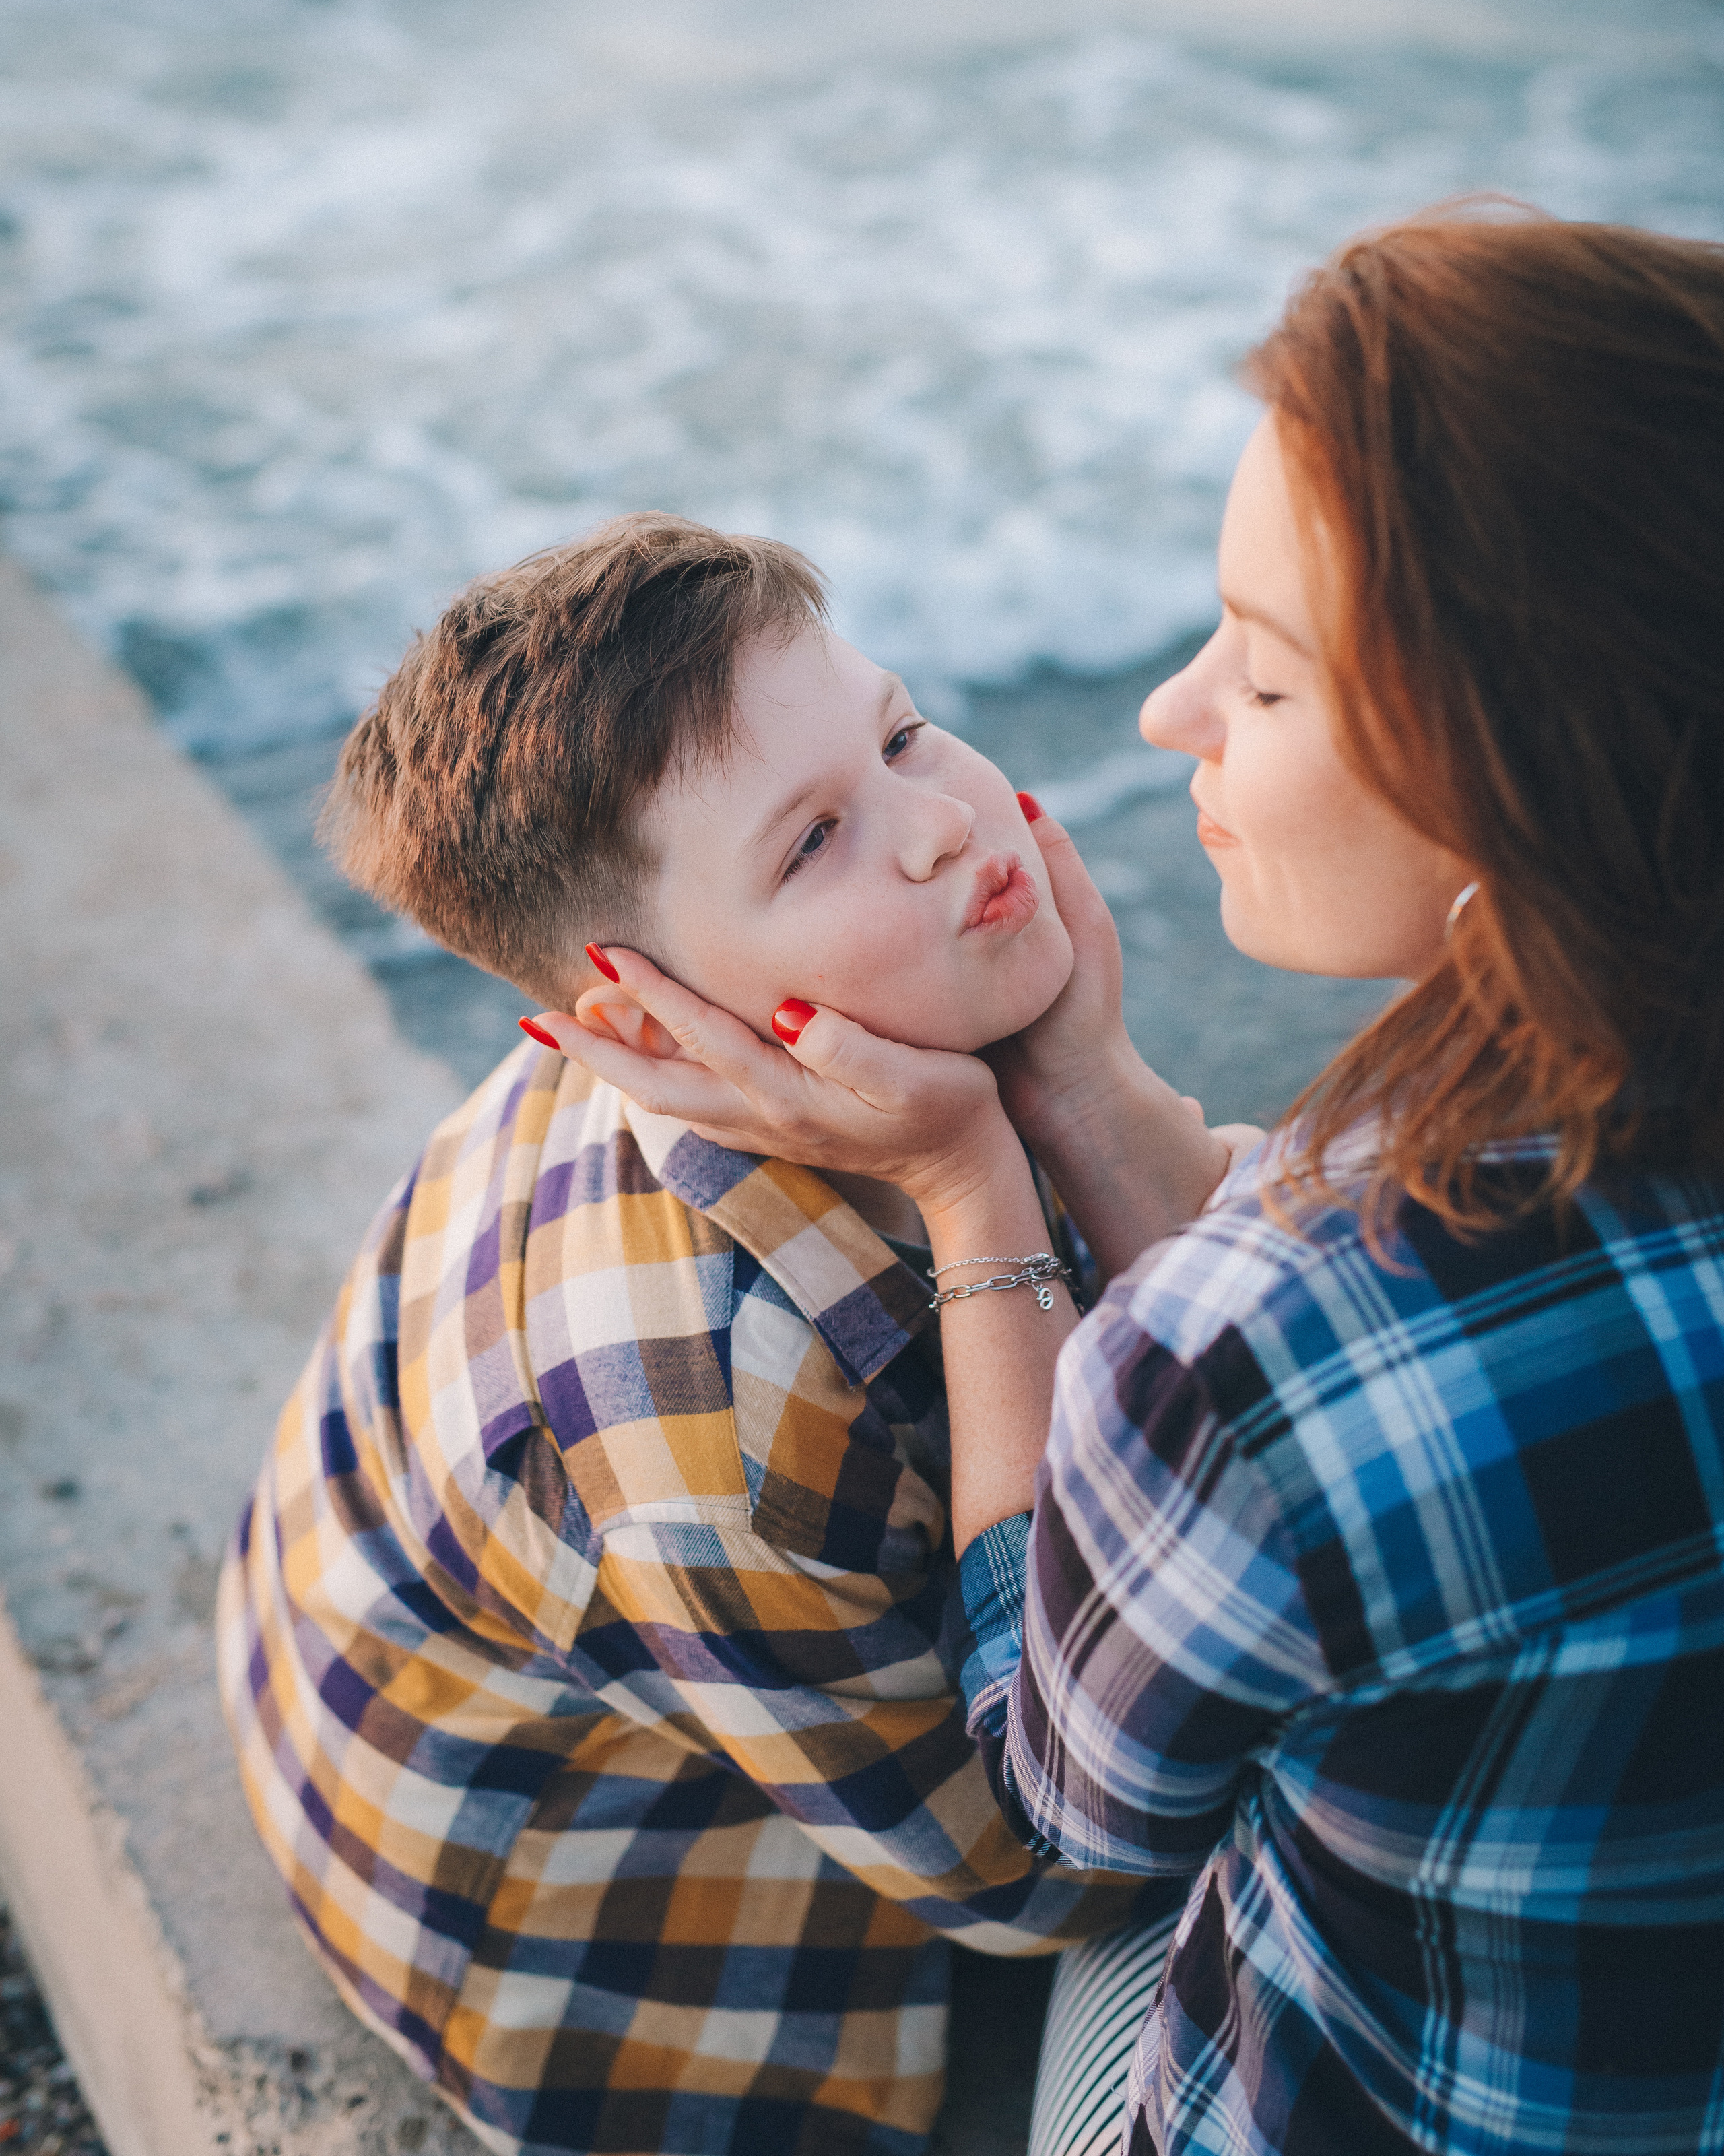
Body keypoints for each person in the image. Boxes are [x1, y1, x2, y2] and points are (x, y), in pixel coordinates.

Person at [541, 213, 1724, 2155]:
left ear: (1518, 769)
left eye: (1260, 680)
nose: (1168, 712)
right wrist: (1083, 1078)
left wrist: (977, 1192)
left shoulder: (1277, 1340)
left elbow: (1067, 1803)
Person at [219, 513, 1223, 2156]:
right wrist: (977, 1179)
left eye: (899, 733)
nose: (939, 826)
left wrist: (1080, 1086)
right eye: (813, 840)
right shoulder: (717, 1446)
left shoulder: (775, 1036)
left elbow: (1238, 1357)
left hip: (729, 1726)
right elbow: (1060, 1861)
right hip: (664, 1980)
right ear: (632, 1015)